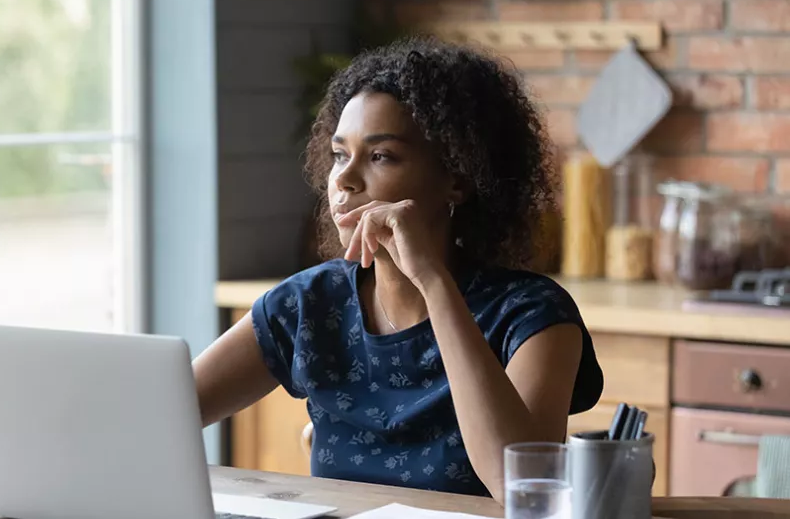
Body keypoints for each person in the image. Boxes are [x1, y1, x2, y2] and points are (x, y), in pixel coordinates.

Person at [193, 36, 603, 502]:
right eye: (339, 154)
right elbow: (156, 416)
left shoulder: (532, 316)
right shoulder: (309, 303)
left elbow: (520, 491)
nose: (344, 179)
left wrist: (432, 281)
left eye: (380, 155)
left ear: (457, 178)